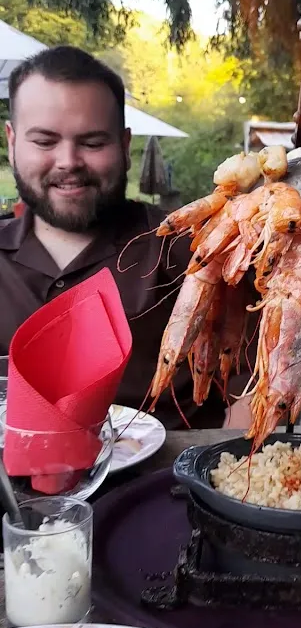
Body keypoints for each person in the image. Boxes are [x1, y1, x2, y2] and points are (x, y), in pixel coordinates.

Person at [0, 45, 228, 430]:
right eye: (44, 141)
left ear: (124, 146)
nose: (68, 161)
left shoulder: (191, 249)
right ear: (11, 142)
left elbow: (251, 390)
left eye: (92, 143)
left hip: (167, 482)